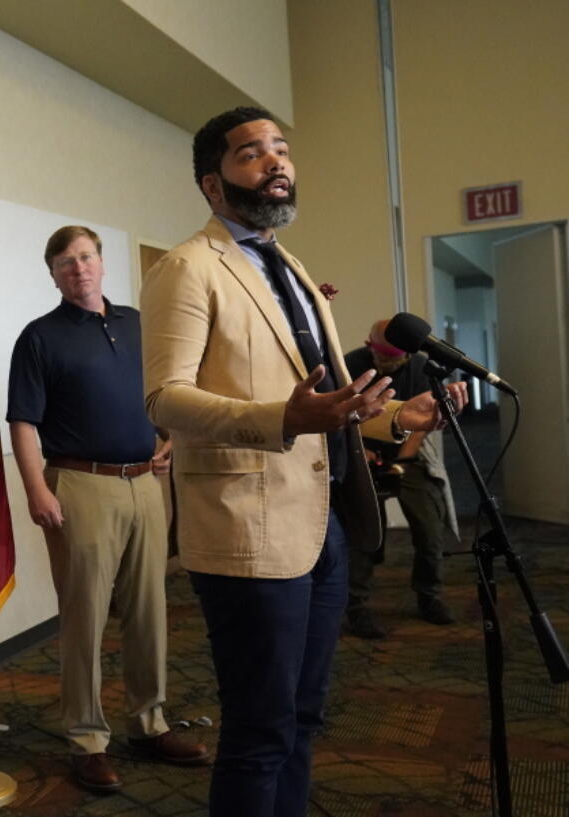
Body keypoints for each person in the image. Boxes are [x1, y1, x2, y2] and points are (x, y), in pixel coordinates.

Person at [139, 107, 466, 817]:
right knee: (259, 730)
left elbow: (326, 402)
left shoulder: (287, 263)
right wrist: (282, 418)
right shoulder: (188, 267)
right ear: (213, 184)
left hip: (325, 527)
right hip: (246, 535)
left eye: (280, 148)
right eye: (252, 153)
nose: (275, 162)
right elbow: (166, 400)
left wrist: (391, 418)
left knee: (306, 718)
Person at [7, 225, 211, 794]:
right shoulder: (39, 338)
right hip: (79, 485)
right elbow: (22, 422)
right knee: (85, 618)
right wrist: (35, 490)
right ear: (53, 273)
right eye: (66, 262)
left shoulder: (136, 325)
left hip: (147, 483)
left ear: (102, 262)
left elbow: (162, 392)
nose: (80, 268)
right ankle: (87, 739)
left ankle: (149, 724)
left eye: (87, 257)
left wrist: (167, 434)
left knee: (149, 610)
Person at [342, 320, 459, 638]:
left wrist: (402, 464)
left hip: (409, 450)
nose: (383, 362)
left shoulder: (423, 368)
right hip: (361, 451)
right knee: (363, 532)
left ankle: (429, 595)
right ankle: (356, 606)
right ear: (369, 346)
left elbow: (422, 424)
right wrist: (362, 451)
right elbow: (344, 415)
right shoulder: (350, 364)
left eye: (391, 358)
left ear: (406, 357)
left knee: (429, 528)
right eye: (377, 354)